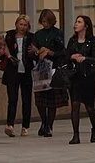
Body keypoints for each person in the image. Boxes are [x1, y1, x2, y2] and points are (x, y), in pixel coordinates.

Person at [0, 14, 37, 138]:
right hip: (12, 71)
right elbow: (0, 53)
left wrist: (35, 52)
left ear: (28, 26)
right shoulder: (9, 36)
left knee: (26, 100)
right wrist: (1, 52)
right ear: (16, 24)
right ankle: (10, 125)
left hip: (26, 71)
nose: (23, 27)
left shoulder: (31, 37)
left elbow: (35, 55)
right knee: (12, 99)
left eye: (25, 25)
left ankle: (25, 126)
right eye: (20, 24)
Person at [67, 14, 95, 144]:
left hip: (88, 77)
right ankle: (76, 135)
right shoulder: (72, 40)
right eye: (76, 21)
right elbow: (66, 55)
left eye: (79, 22)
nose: (76, 24)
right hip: (75, 77)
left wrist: (85, 58)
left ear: (85, 26)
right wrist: (72, 56)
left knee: (89, 107)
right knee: (75, 105)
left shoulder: (92, 41)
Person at [32, 9, 66, 137]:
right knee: (40, 99)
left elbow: (62, 52)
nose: (45, 24)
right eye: (43, 21)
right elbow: (33, 50)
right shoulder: (38, 34)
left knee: (52, 100)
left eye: (47, 21)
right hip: (41, 68)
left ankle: (49, 125)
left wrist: (50, 52)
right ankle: (44, 122)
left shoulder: (58, 33)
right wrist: (37, 52)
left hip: (54, 68)